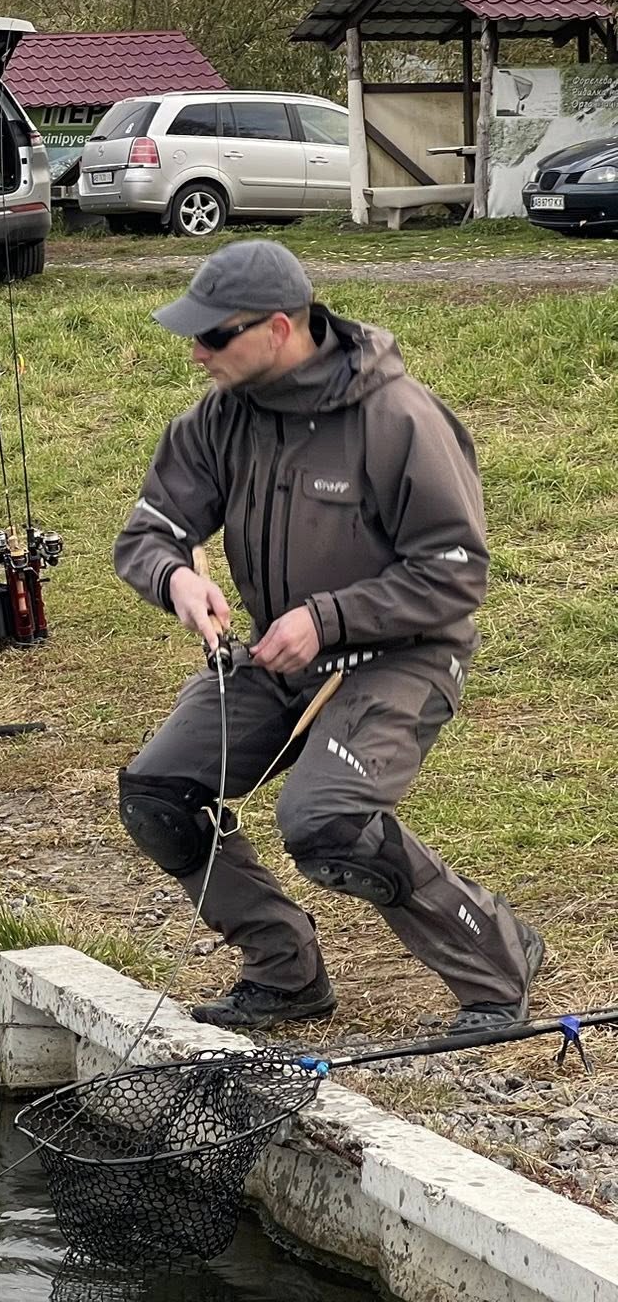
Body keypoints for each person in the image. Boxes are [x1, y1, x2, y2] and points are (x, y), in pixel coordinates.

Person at [112, 240, 544, 1033]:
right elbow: (148, 531)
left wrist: (327, 620)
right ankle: (285, 971)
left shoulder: (400, 418)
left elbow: (456, 572)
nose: (195, 351)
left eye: (214, 335)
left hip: (402, 659)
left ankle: (499, 959)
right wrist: (176, 578)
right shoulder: (217, 418)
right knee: (156, 796)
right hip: (277, 659)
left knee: (325, 824)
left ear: (279, 328)